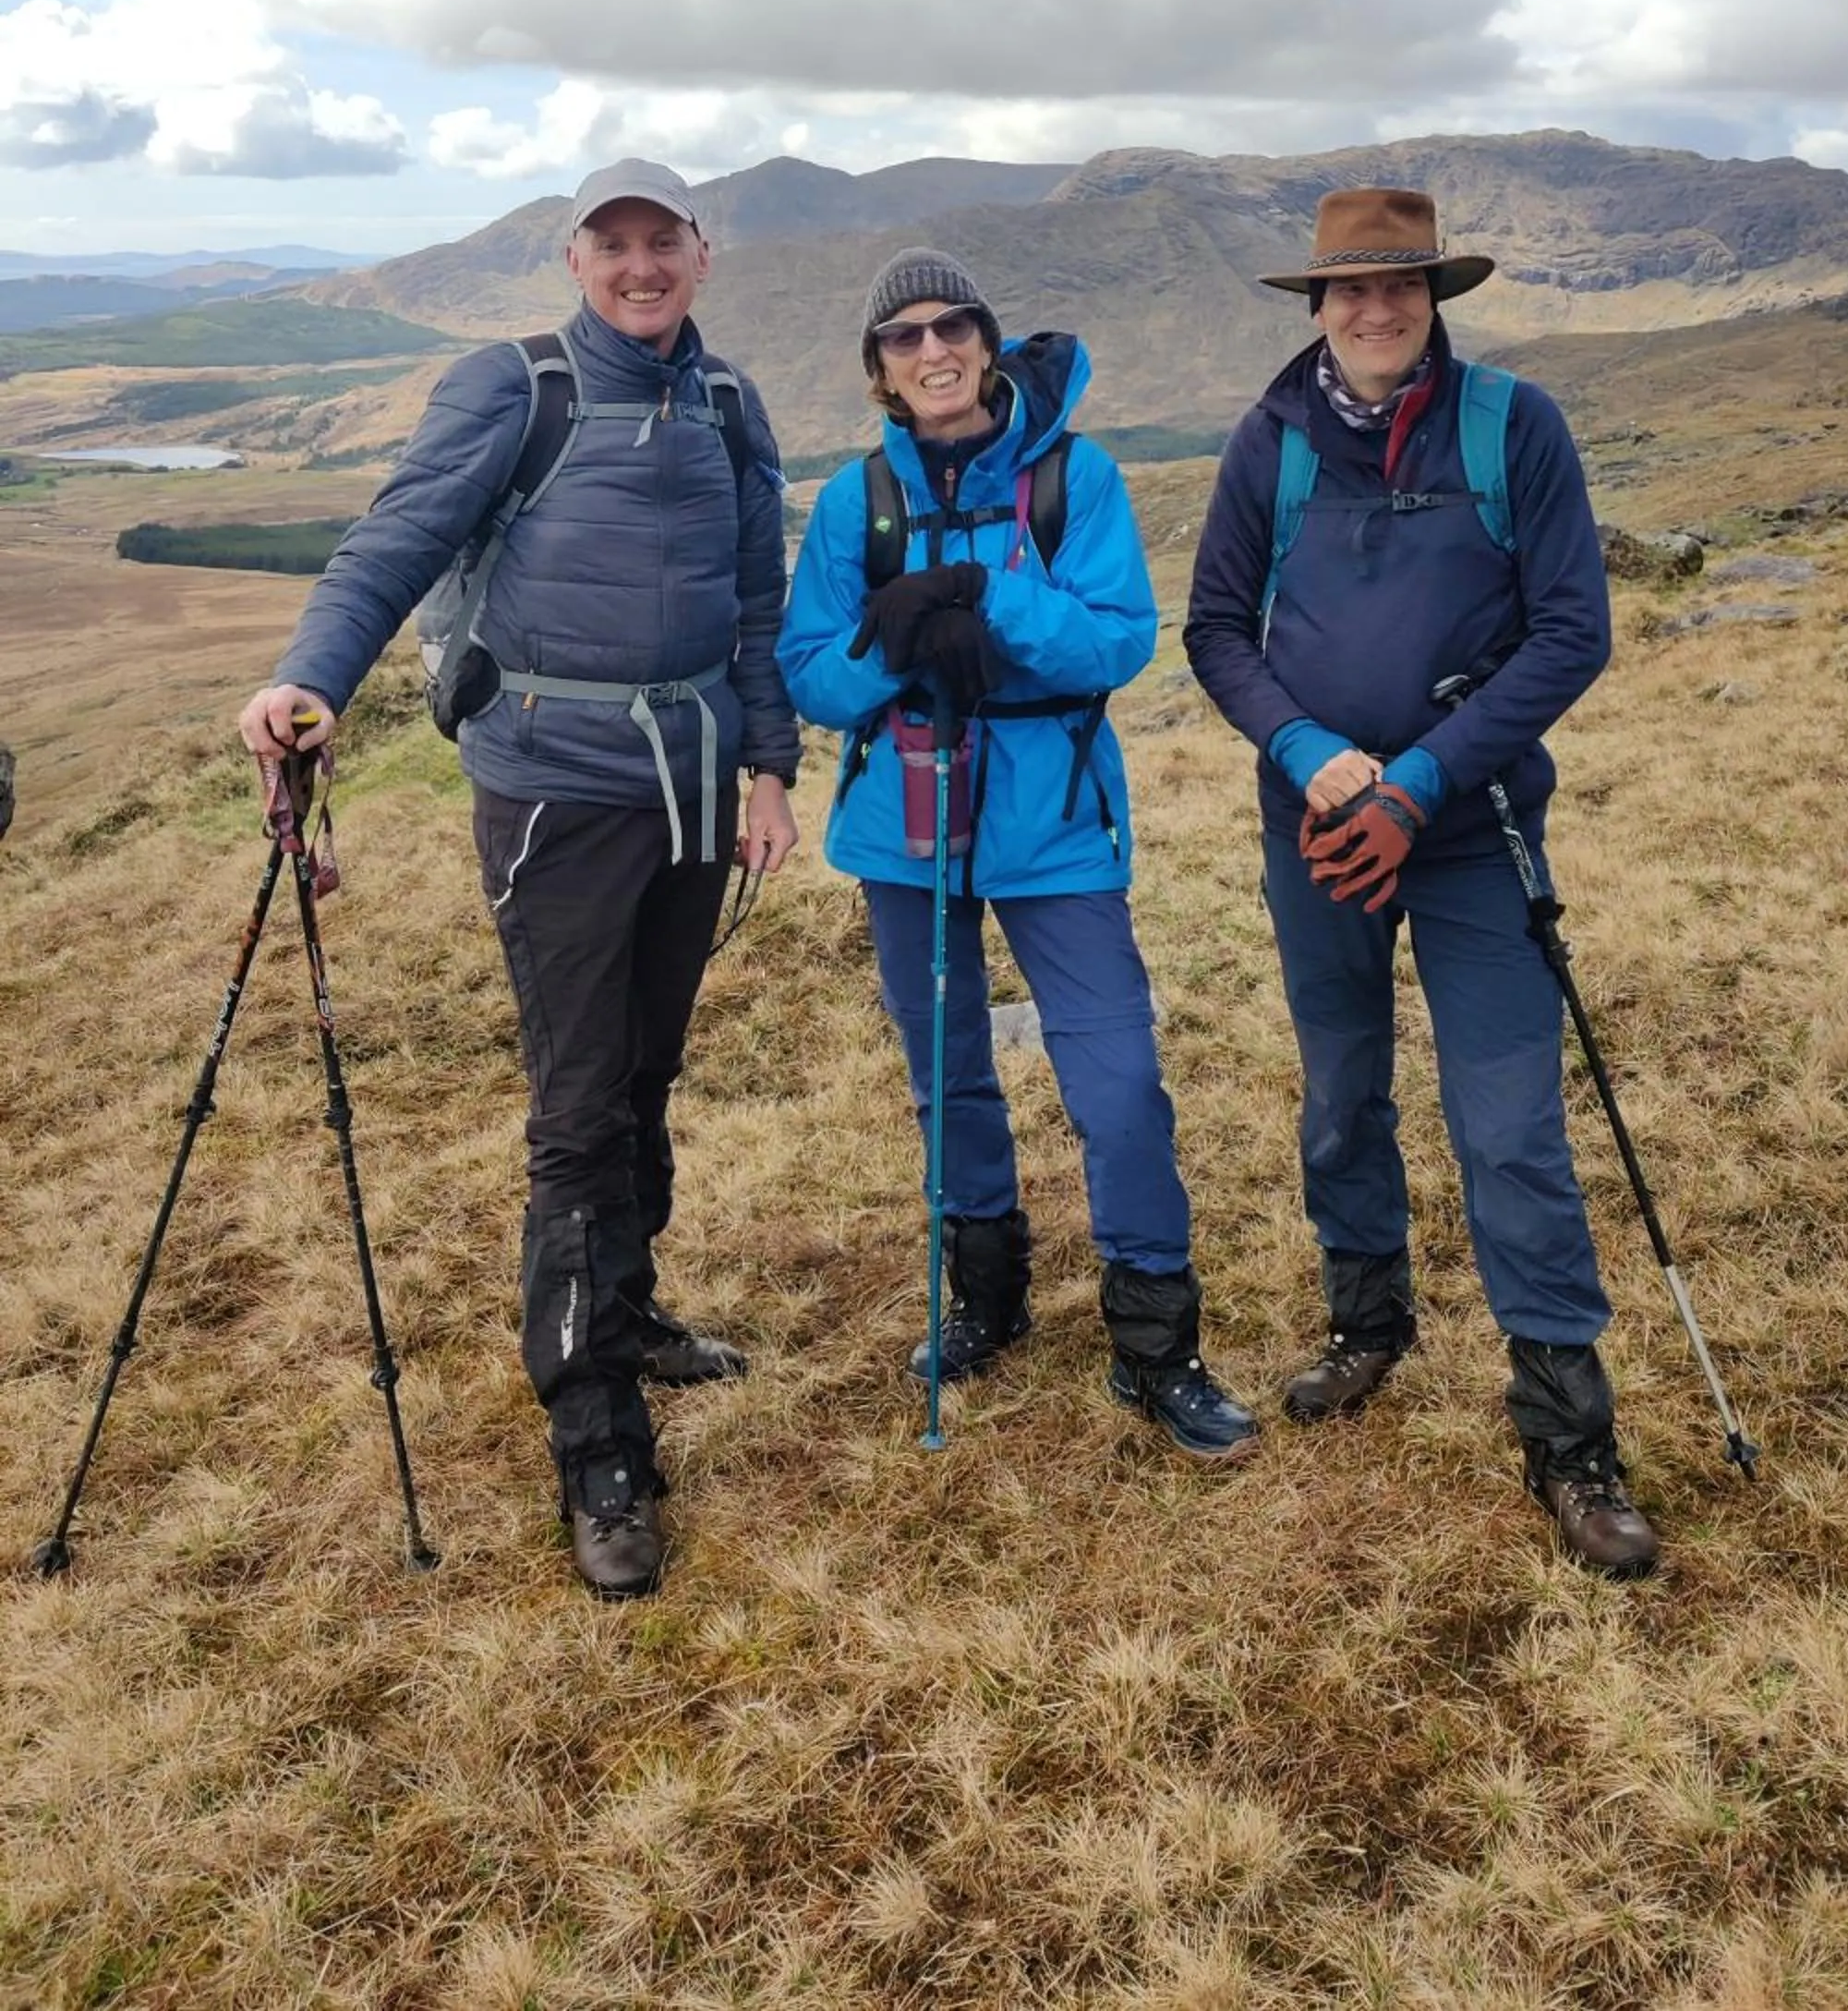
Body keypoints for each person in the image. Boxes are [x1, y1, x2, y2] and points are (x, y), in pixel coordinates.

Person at [237, 158, 799, 1598]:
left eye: (661, 241)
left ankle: (626, 1307)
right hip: (555, 794)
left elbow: (754, 605)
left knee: (647, 1071)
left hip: (691, 787)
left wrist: (769, 768)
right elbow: (397, 538)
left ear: (701, 253)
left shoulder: (729, 403)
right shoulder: (516, 386)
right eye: (613, 245)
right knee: (578, 1106)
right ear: (575, 262)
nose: (639, 266)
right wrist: (312, 678)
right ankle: (595, 1439)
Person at [1183, 187, 1659, 1576]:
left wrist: (1422, 783)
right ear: (1319, 303)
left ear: (1434, 296)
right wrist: (1308, 753)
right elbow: (1215, 629)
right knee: (1342, 1088)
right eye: (1353, 288)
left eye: (1402, 285)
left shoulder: (1515, 426)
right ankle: (1367, 1320)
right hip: (1319, 831)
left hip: (1470, 828)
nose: (1377, 309)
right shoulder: (1270, 438)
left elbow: (1570, 632)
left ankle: (1567, 1435)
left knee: (1509, 1125)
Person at [779, 247, 1258, 1462]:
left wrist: (984, 598)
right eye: (903, 337)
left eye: (953, 327)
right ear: (880, 368)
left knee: (1118, 1082)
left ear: (988, 342)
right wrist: (897, 644)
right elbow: (812, 677)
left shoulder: (1072, 477)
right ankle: (985, 1300)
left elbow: (1116, 643)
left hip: (1053, 824)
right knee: (947, 1076)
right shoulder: (851, 504)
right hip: (906, 825)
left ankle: (1155, 1344)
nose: (932, 350)